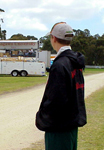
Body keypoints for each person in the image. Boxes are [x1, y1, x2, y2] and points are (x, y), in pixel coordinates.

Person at [35, 22, 87, 150]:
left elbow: (55, 100)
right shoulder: (74, 61)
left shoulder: (60, 64)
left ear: (54, 38)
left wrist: (41, 118)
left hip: (59, 127)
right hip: (71, 124)